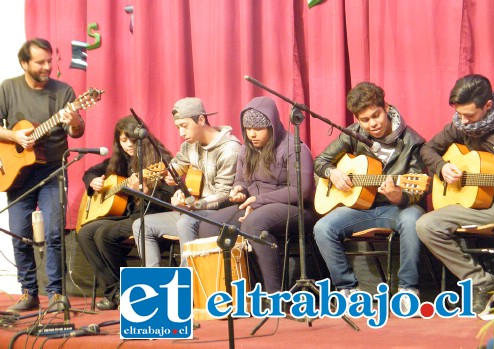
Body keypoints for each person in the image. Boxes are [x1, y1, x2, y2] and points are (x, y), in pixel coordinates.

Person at [416, 74, 494, 319]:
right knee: (426, 225)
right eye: (460, 114)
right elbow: (427, 149)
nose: (463, 121)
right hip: (477, 203)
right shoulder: (460, 124)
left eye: (469, 115)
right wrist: (442, 167)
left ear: (488, 106)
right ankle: (488, 285)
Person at [313, 82, 426, 314]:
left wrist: (399, 196)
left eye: (376, 115)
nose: (372, 124)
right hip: (360, 208)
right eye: (365, 120)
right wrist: (332, 173)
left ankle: (408, 291)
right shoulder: (353, 134)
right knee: (323, 228)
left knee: (414, 219)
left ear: (386, 108)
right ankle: (348, 290)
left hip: (395, 209)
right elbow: (320, 162)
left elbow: (417, 188)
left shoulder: (412, 141)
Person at [0, 38, 85, 312]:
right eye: (40, 62)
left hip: (52, 170)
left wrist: (74, 121)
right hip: (16, 173)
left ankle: (57, 294)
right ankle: (28, 293)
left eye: (50, 61)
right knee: (19, 233)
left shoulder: (64, 92)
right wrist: (13, 135)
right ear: (24, 63)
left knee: (54, 232)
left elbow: (77, 132)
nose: (47, 66)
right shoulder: (8, 88)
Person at [197, 96, 315, 293]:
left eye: (258, 129)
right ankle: (234, 293)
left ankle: (274, 296)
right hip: (254, 205)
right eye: (248, 129)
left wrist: (258, 200)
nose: (252, 134)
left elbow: (300, 191)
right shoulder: (246, 150)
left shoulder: (295, 148)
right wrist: (238, 190)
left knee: (254, 223)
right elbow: (241, 181)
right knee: (209, 226)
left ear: (272, 126)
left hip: (294, 208)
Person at [77, 116, 175, 310]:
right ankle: (116, 291)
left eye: (132, 139)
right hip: (126, 215)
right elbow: (91, 171)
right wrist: (92, 182)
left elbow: (169, 200)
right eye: (123, 140)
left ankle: (123, 292)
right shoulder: (120, 159)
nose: (128, 144)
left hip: (151, 216)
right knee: (84, 233)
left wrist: (146, 192)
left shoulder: (160, 160)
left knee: (104, 235)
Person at [131, 97, 240, 267]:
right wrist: (169, 175)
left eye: (184, 126)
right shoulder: (189, 145)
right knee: (141, 224)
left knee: (185, 222)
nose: (181, 133)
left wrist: (194, 205)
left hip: (221, 213)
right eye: (177, 127)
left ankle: (187, 285)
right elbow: (177, 165)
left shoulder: (229, 149)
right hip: (193, 212)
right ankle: (154, 286)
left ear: (201, 119)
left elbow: (224, 194)